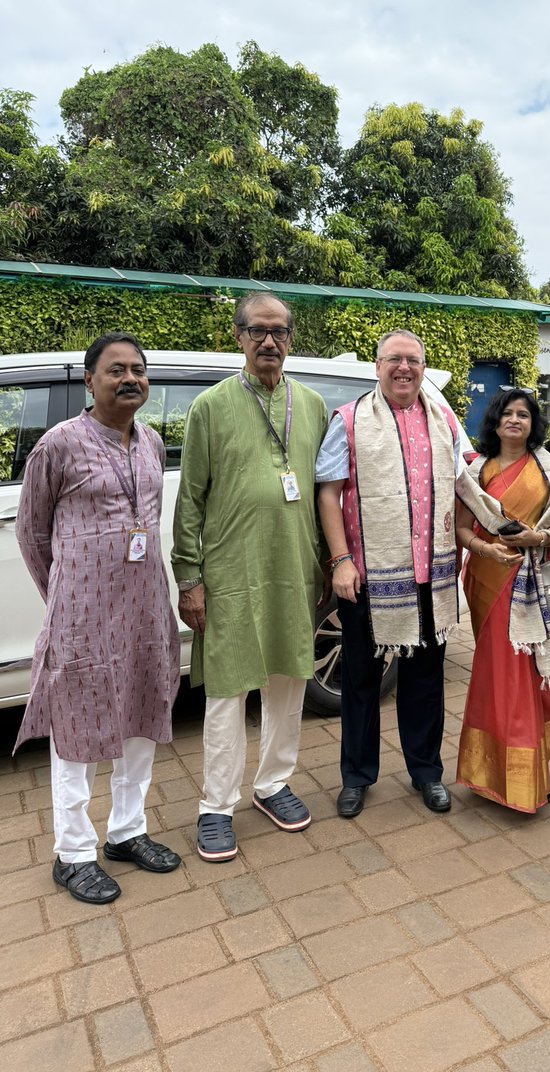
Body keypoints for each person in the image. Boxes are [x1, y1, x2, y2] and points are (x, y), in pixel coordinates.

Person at [14, 333, 181, 904]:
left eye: (138, 369)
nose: (130, 378)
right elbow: (32, 533)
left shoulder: (153, 443)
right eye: (116, 370)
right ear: (90, 381)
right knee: (77, 729)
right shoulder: (58, 446)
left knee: (140, 716)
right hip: (83, 618)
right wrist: (65, 594)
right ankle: (73, 852)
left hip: (144, 612)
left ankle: (127, 832)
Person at [172, 293, 327, 861]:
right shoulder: (210, 407)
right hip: (230, 573)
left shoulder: (311, 405)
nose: (269, 342)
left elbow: (327, 492)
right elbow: (189, 499)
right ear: (238, 337)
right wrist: (188, 576)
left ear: (291, 339)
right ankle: (216, 805)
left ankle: (272, 784)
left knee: (288, 683)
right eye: (257, 331)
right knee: (227, 691)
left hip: (293, 570)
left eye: (279, 332)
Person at [316, 329, 462, 818]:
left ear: (423, 367)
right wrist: (340, 560)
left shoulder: (443, 418)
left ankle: (427, 773)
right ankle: (356, 776)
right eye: (394, 359)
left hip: (430, 574)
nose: (404, 368)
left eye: (413, 360)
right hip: (369, 577)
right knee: (361, 679)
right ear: (377, 367)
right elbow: (328, 492)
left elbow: (466, 480)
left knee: (425, 678)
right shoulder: (351, 420)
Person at [455, 388, 550, 812]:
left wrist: (539, 537)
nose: (514, 420)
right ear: (494, 422)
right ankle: (488, 773)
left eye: (523, 414)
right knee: (495, 675)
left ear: (533, 423)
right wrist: (486, 549)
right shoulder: (476, 472)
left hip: (535, 585)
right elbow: (460, 528)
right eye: (506, 413)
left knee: (530, 678)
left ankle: (527, 779)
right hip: (489, 582)